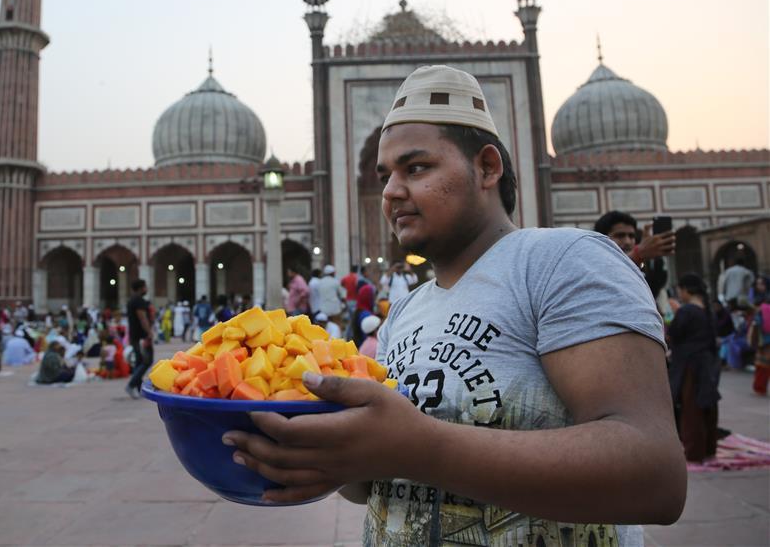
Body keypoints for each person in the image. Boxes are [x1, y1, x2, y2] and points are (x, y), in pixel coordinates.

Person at [223, 65, 685, 543]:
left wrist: (417, 448)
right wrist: (323, 449)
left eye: (416, 168)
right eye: (385, 176)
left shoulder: (564, 262)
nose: (391, 192)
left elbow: (654, 476)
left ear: (486, 167)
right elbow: (378, 481)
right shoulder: (405, 311)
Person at [667, 274, 721, 462]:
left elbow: (674, 334)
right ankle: (709, 449)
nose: (679, 294)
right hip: (707, 363)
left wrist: (674, 314)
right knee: (707, 405)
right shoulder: (707, 309)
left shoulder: (686, 311)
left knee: (692, 409)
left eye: (680, 290)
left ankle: (694, 451)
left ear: (687, 290)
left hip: (690, 365)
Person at [594, 211, 674, 299]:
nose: (627, 242)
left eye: (631, 236)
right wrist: (638, 254)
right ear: (602, 238)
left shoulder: (640, 267)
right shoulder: (593, 266)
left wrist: (654, 258)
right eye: (620, 236)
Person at [125, 279, 153, 399]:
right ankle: (131, 385)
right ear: (141, 288)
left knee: (139, 361)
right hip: (142, 336)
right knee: (147, 361)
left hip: (134, 335)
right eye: (145, 287)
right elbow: (142, 318)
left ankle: (138, 387)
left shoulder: (131, 301)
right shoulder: (139, 301)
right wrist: (149, 332)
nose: (146, 289)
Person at [749, 290, 770, 395]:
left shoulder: (761, 311)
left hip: (764, 343)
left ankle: (760, 388)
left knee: (762, 366)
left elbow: (757, 327)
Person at [341, 265, 360, 339]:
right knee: (353, 320)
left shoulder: (346, 277)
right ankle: (351, 336)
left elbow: (341, 283)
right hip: (355, 300)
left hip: (348, 300)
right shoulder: (357, 278)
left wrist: (347, 288)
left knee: (351, 319)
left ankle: (348, 335)